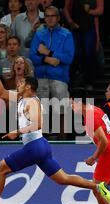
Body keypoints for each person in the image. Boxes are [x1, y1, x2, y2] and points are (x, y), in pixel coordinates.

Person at [0, 56, 110, 204]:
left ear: (28, 87)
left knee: (0, 169)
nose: (17, 85)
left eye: (20, 84)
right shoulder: (21, 98)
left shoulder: (32, 102)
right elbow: (0, 93)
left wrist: (17, 131)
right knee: (63, 179)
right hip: (40, 147)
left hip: (34, 146)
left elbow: (38, 124)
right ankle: (98, 187)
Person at [29, 6, 74, 140]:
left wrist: (48, 52)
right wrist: (48, 59)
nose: (49, 19)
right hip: (41, 77)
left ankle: (63, 139)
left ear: (58, 18)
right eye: (47, 16)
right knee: (41, 110)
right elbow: (32, 56)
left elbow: (68, 57)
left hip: (59, 77)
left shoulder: (66, 34)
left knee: (61, 109)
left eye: (52, 16)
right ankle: (41, 139)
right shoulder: (39, 34)